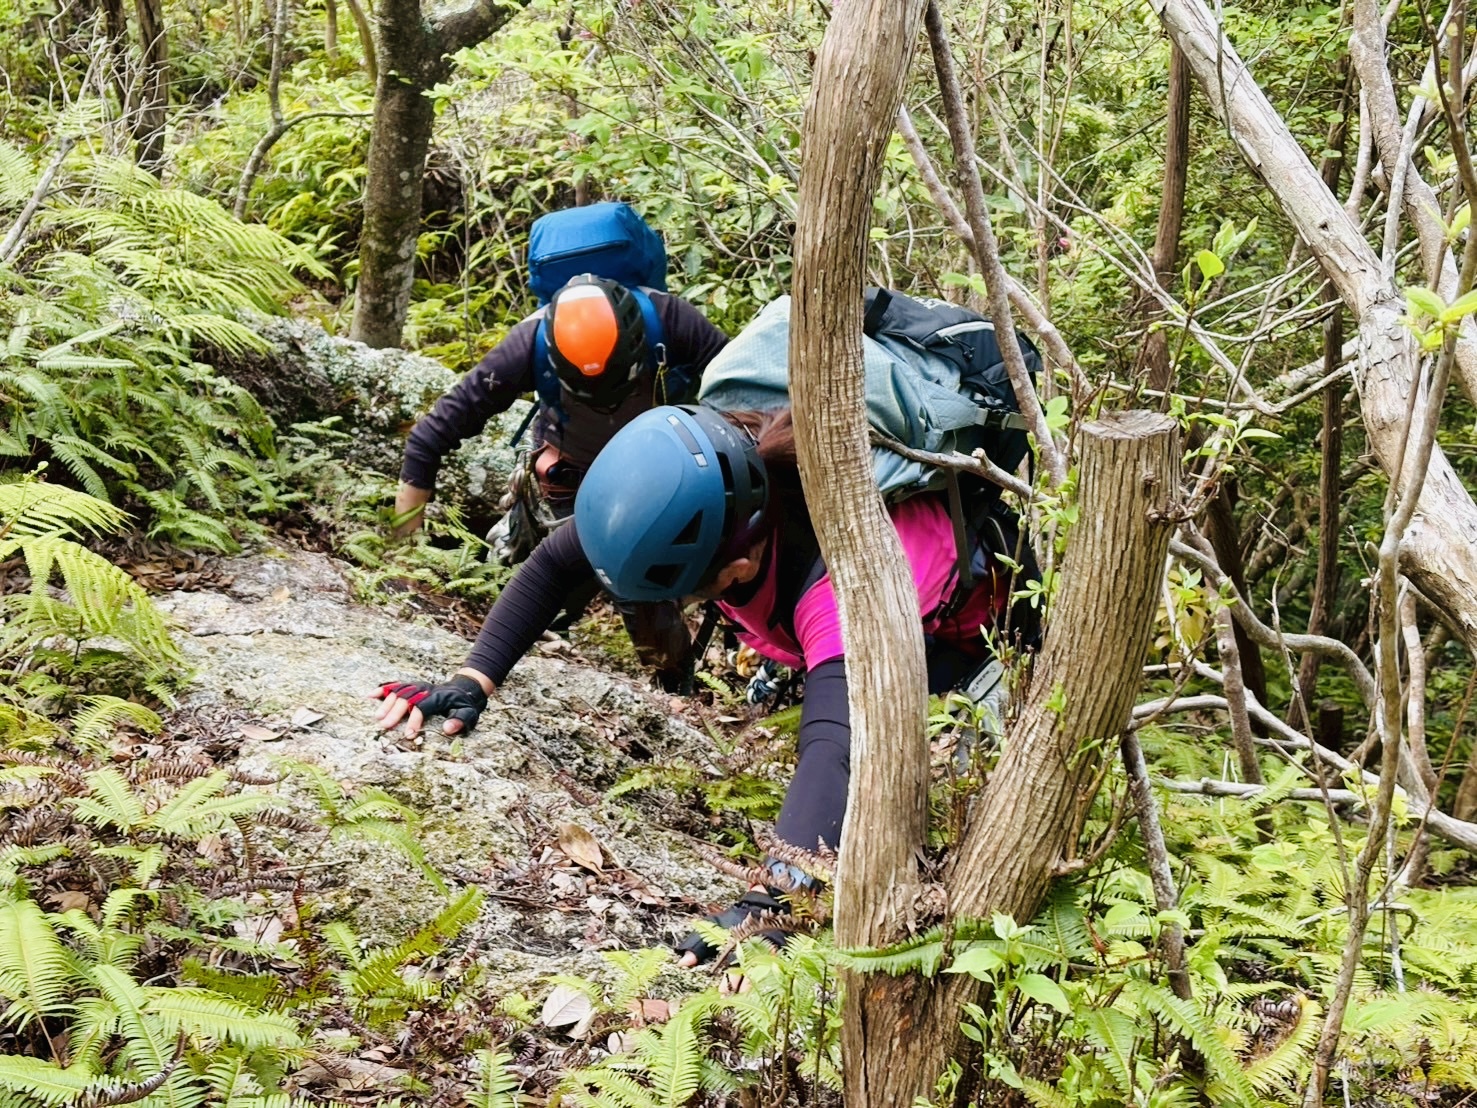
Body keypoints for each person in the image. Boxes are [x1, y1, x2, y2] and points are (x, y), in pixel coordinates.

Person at [374, 404, 1020, 964]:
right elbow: (556, 562)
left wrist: (776, 899)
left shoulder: (844, 590)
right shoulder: (706, 485)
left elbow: (836, 746)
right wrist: (473, 679)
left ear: (737, 568)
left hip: (974, 646)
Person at [394, 275, 730, 687]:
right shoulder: (527, 347)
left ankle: (673, 680)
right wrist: (405, 558)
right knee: (555, 580)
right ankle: (560, 647)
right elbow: (429, 437)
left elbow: (737, 396)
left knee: (640, 588)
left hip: (665, 474)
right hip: (573, 480)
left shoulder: (671, 321)